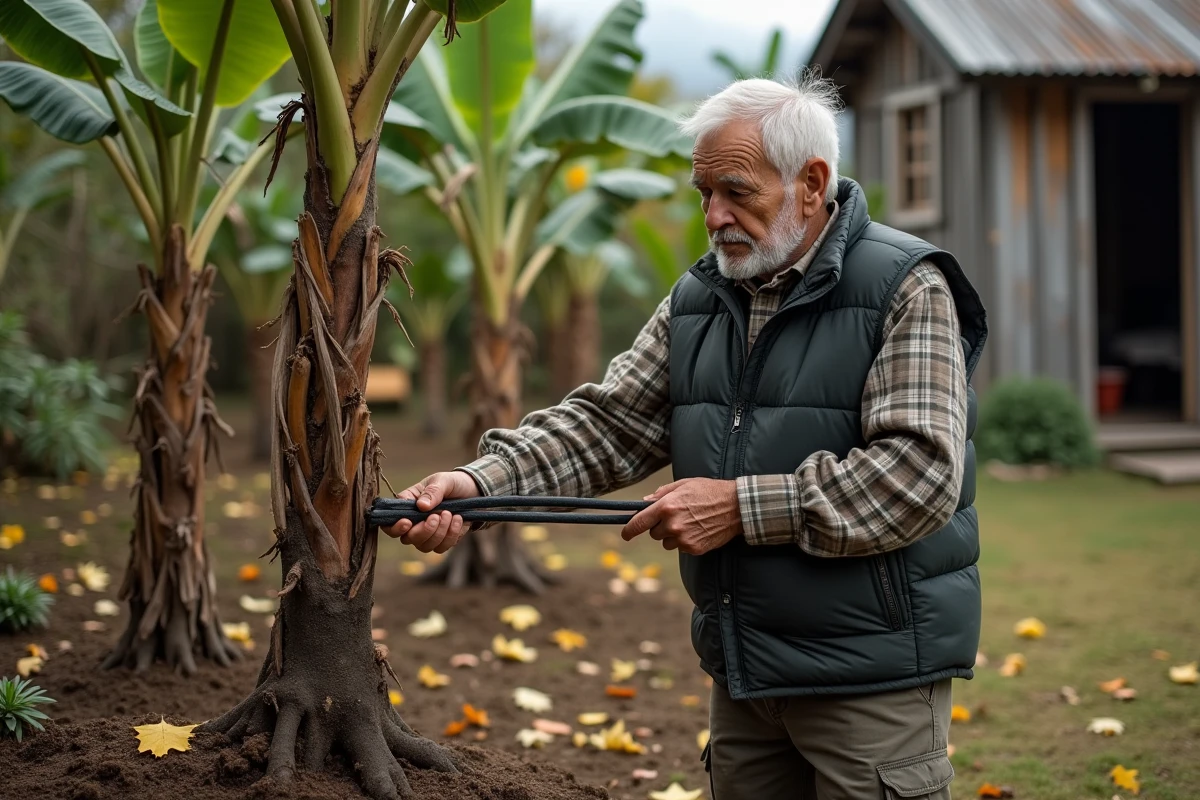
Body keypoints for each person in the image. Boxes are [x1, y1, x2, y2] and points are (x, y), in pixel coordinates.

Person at [384, 74, 987, 800]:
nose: (714, 215)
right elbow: (611, 423)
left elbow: (917, 475)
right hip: (743, 670)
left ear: (811, 182)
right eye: (704, 194)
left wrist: (738, 507)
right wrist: (481, 481)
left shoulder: (907, 287)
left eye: (736, 192)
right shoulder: (701, 295)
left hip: (873, 677)